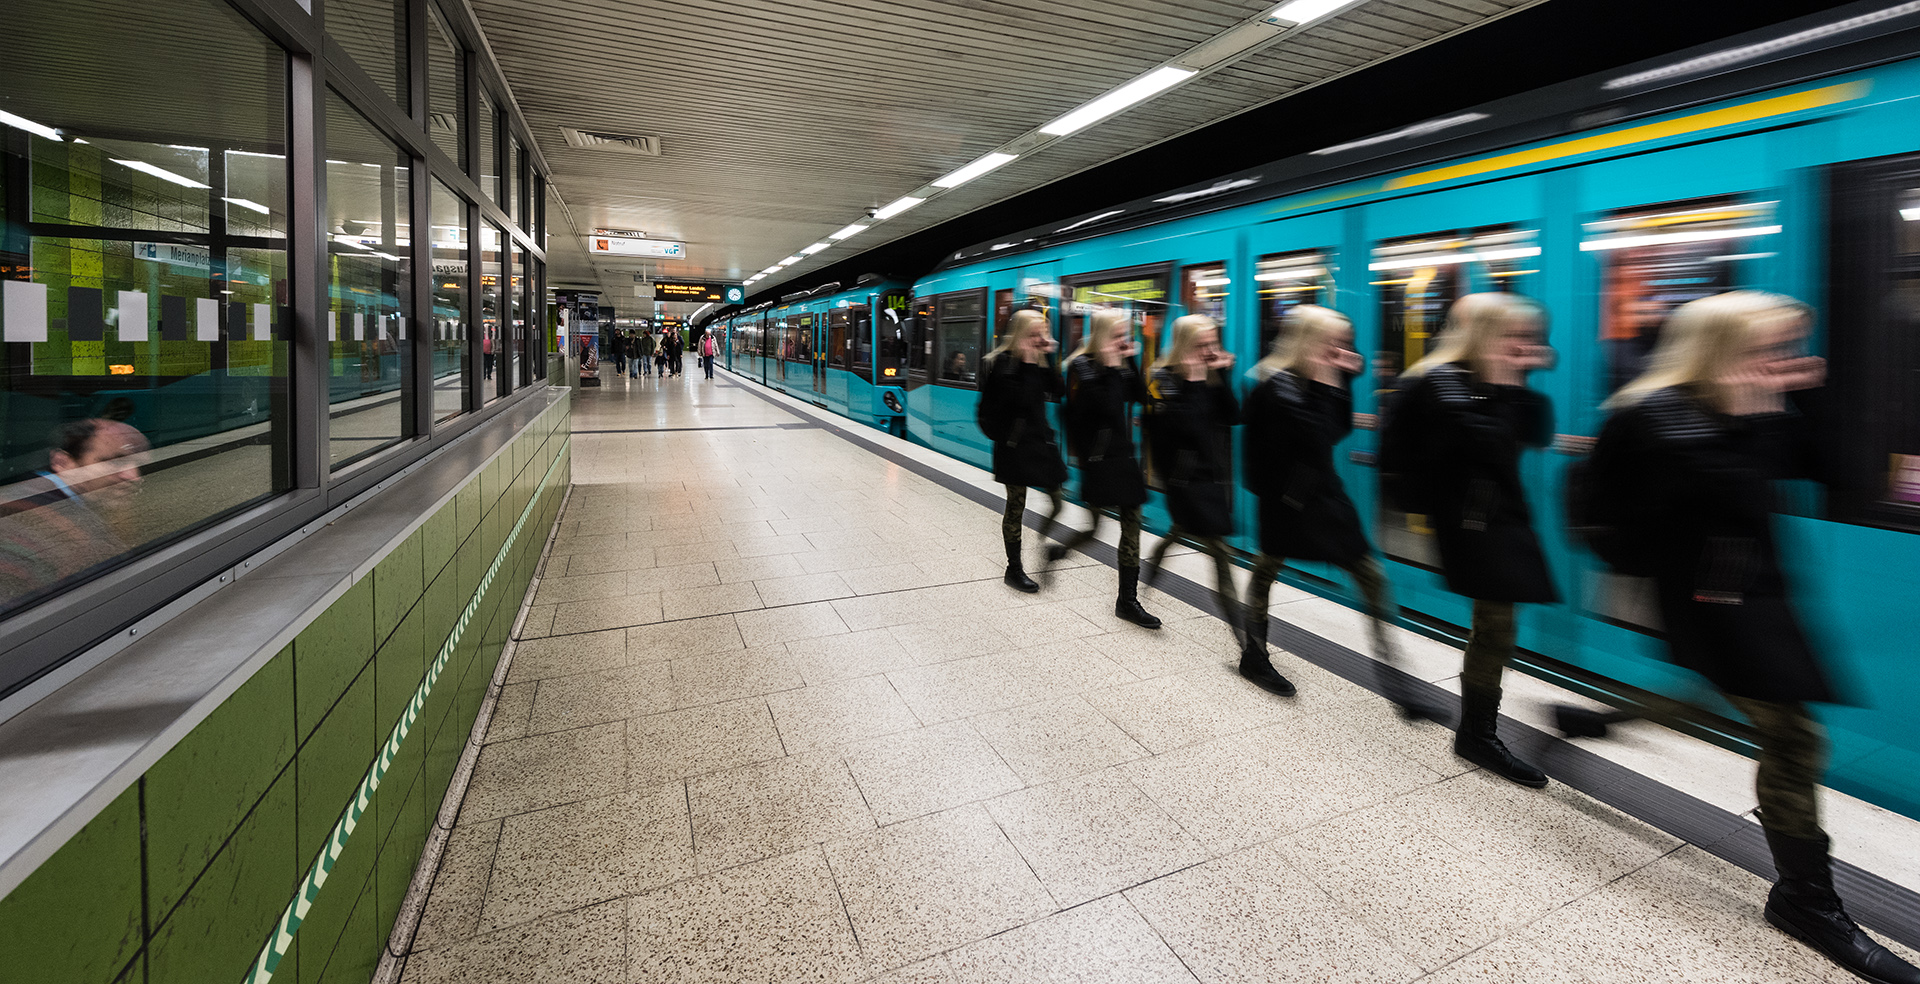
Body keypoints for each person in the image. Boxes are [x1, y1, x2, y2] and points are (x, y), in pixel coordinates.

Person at [1586, 291, 1918, 984]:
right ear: (1723, 351)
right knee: (1797, 737)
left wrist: (1810, 396)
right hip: (1708, 605)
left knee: (1737, 703)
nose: (1783, 364)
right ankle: (1805, 898)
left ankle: (1598, 714)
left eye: (1788, 350)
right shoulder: (1656, 417)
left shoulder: (1761, 410)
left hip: (1764, 597)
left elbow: (1843, 476)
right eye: (1771, 350)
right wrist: (1734, 432)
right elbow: (1607, 519)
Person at [1393, 292, 1557, 786]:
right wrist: (1507, 384)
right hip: (1471, 525)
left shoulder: (1492, 382)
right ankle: (1478, 734)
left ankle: (1477, 730)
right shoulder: (1439, 383)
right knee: (1495, 626)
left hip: (1500, 518)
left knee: (1497, 626)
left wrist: (1518, 381)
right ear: (1485, 335)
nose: (1525, 347)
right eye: (1516, 337)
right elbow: (1469, 444)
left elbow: (1537, 434)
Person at [1239, 305, 1435, 710]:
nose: (1342, 350)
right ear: (1309, 342)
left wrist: (1341, 377)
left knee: (1371, 577)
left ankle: (1398, 684)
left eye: (1344, 343)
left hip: (1323, 497)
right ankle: (1254, 656)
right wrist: (1335, 377)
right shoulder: (1278, 387)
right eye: (1334, 343)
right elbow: (1318, 435)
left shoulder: (1309, 380)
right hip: (1288, 503)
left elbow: (1339, 428)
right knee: (1266, 571)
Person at [1045, 309, 1159, 628]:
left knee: (1131, 528)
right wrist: (1110, 369)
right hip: (1098, 463)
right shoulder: (1081, 368)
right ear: (1102, 335)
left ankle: (1127, 601)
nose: (1124, 341)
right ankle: (1060, 550)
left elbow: (1139, 396)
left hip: (1123, 458)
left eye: (1126, 335)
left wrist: (1130, 362)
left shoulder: (1118, 365)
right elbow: (1096, 410)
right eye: (1118, 335)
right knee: (1093, 528)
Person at [1142, 314, 1241, 638]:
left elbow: (1233, 416)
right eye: (1202, 345)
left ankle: (1155, 558)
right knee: (1218, 551)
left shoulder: (1210, 376)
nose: (1209, 350)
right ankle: (1246, 643)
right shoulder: (1164, 378)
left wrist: (1222, 374)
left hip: (1208, 476)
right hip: (1183, 481)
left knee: (1181, 532)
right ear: (1185, 344)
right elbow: (1173, 430)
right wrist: (1196, 381)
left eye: (1213, 343)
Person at [0, 419, 150, 606]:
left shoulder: (26, 494)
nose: (134, 477)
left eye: (138, 465)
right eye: (114, 462)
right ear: (62, 462)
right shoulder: (71, 535)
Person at [978, 308, 1067, 592]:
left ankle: (1043, 545)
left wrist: (1047, 356)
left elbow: (1059, 390)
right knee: (1016, 508)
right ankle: (1014, 569)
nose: (1040, 338)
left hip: (1041, 445)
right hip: (1014, 449)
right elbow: (988, 412)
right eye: (1035, 333)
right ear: (1021, 334)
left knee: (1058, 501)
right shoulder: (1003, 365)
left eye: (1043, 332)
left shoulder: (1039, 363)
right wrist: (1007, 439)